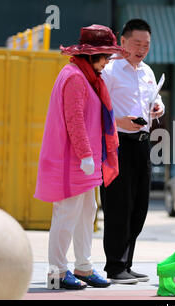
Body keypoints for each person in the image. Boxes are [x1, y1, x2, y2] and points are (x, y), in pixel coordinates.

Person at [34, 24, 123, 290]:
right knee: (66, 215)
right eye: (105, 55)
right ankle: (56, 272)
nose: (107, 61)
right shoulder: (74, 76)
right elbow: (74, 121)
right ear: (91, 54)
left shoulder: (88, 76)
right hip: (72, 160)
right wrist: (85, 154)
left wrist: (88, 157)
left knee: (87, 213)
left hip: (85, 161)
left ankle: (83, 267)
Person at [100, 19, 165, 284]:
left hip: (142, 143)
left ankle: (127, 263)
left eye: (146, 45)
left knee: (139, 206)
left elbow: (154, 99)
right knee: (118, 205)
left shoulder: (147, 71)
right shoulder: (111, 70)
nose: (141, 49)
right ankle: (114, 266)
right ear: (122, 41)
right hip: (117, 144)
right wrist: (119, 121)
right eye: (137, 43)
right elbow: (98, 109)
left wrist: (158, 108)